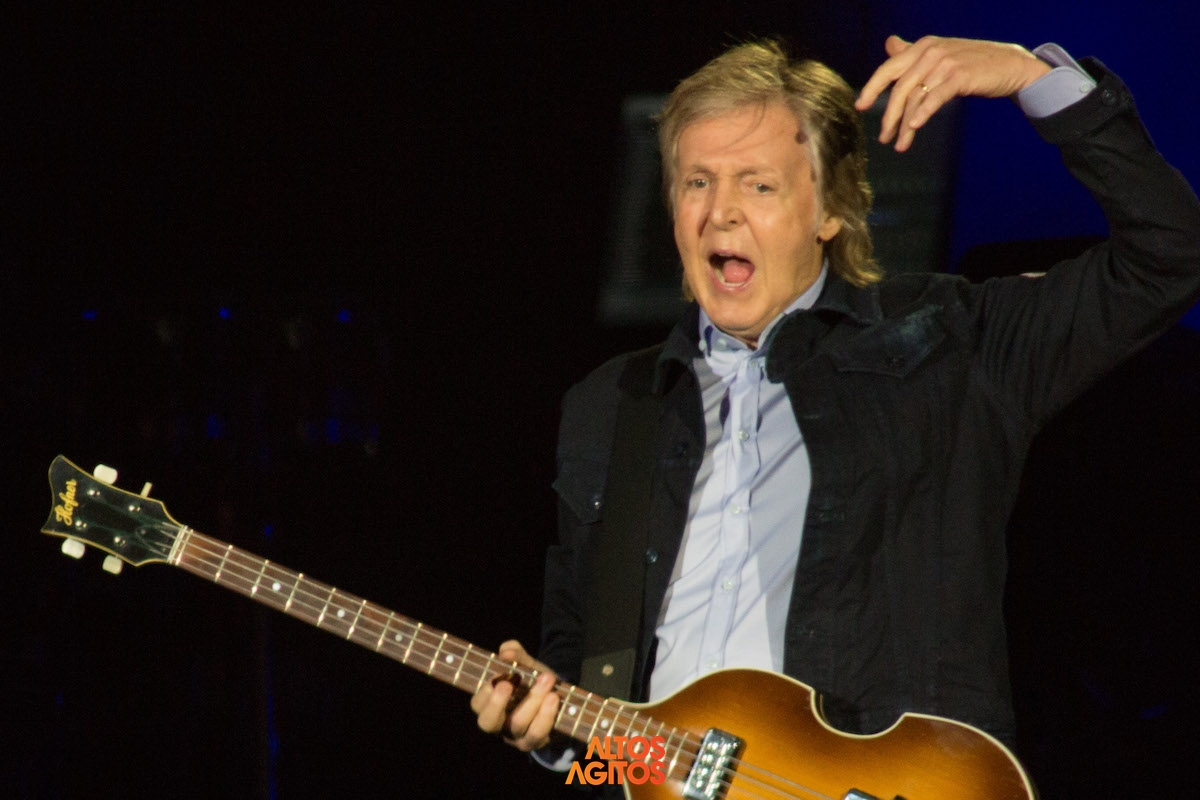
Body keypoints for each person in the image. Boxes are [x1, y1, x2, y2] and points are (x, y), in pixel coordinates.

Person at [471, 32, 1200, 788]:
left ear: (830, 211)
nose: (720, 213)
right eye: (697, 182)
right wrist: (550, 727)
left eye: (758, 185)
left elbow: (1169, 256)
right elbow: (583, 660)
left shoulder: (948, 343)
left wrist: (1029, 76)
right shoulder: (611, 403)